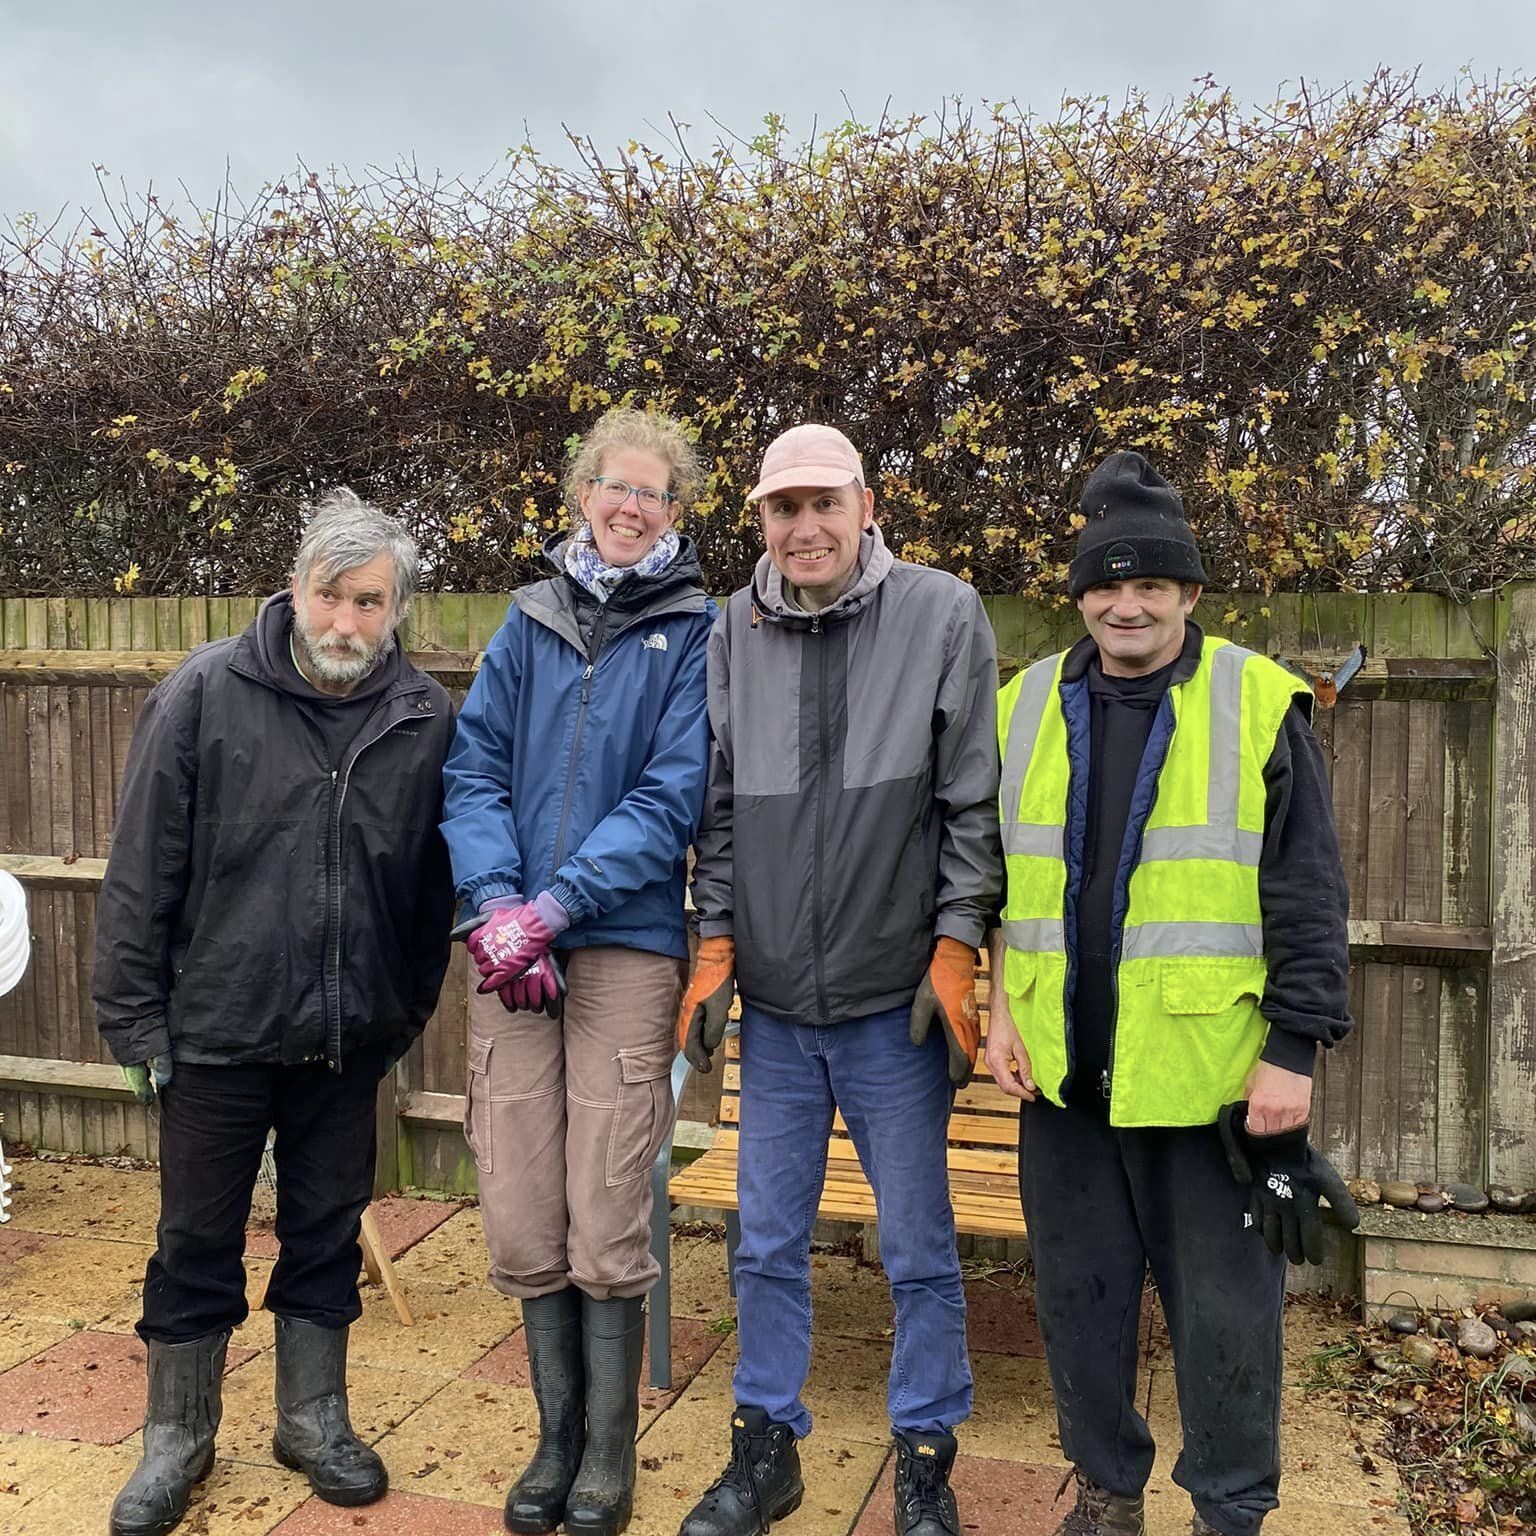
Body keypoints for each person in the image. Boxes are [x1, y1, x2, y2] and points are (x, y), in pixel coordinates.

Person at [984, 452, 1357, 1536]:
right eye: (1106, 581)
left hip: (1206, 1089)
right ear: (1082, 593)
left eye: (1153, 583)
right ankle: (1107, 1491)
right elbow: (1002, 886)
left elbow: (1309, 892)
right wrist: (1003, 1011)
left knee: (1227, 1322)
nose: (1127, 602)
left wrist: (1293, 1050)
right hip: (1065, 1081)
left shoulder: (1257, 702)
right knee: (1078, 1311)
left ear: (1191, 596)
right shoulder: (1022, 709)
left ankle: (1229, 1510)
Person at [93, 490, 456, 1536]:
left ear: (398, 610)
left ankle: (312, 1417)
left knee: (325, 1233)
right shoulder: (203, 693)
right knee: (195, 1238)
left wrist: (402, 1008)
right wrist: (134, 1020)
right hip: (214, 1029)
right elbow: (138, 871)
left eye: (371, 603)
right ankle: (178, 1435)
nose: (347, 623)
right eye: (332, 597)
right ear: (297, 588)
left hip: (348, 1040)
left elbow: (433, 888)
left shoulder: (422, 717)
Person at [675, 423, 1002, 1536]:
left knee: (916, 1247)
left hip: (891, 1007)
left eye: (825, 503)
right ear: (761, 519)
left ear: (869, 504)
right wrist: (715, 941)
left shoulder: (942, 615)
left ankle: (924, 1456)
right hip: (773, 1012)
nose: (804, 526)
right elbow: (716, 814)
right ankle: (765, 1449)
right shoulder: (732, 629)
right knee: (763, 1242)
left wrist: (958, 943)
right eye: (783, 508)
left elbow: (972, 805)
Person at [441, 406, 714, 1536]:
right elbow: (473, 771)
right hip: (512, 956)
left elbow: (673, 792)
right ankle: (553, 1438)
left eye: (653, 492)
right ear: (581, 493)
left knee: (607, 1204)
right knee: (515, 1203)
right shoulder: (528, 621)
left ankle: (610, 1451)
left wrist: (560, 904)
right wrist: (501, 906)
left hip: (624, 945)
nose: (630, 505)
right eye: (615, 485)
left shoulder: (697, 629)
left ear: (675, 510)